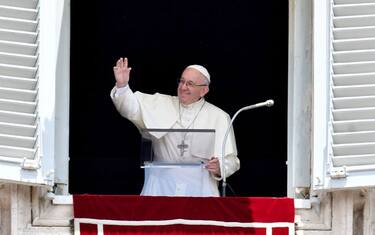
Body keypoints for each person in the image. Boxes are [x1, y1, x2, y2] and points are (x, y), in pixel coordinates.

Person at [110, 57, 240, 196]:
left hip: (200, 188)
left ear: (203, 90)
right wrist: (122, 86)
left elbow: (232, 161)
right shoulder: (160, 103)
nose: (183, 87)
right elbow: (130, 108)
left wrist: (220, 167)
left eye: (190, 83)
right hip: (160, 186)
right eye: (182, 81)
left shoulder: (219, 116)